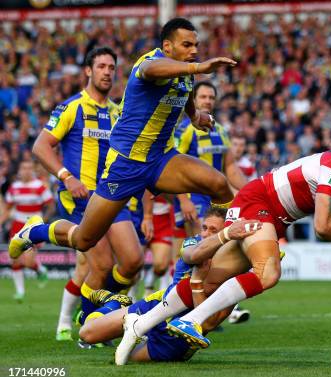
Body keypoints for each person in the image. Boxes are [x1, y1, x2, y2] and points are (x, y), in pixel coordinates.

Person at [114, 136, 331, 365]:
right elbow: (323, 227)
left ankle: (139, 324)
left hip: (275, 218)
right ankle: (192, 320)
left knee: (212, 280)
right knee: (268, 272)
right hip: (259, 201)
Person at [8, 18, 236, 265]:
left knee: (219, 184)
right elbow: (153, 70)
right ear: (167, 47)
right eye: (187, 45)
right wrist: (198, 68)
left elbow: (184, 90)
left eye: (196, 45)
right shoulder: (150, 63)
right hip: (126, 164)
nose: (194, 50)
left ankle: (234, 246)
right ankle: (33, 231)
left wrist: (194, 115)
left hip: (161, 160)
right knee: (84, 239)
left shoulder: (185, 70)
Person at [31, 47, 144, 331]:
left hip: (111, 198)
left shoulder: (118, 112)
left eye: (111, 67)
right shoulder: (72, 107)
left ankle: (95, 314)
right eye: (102, 66)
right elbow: (40, 146)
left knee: (132, 262)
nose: (107, 72)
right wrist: (67, 176)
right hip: (80, 200)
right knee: (102, 265)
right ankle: (88, 325)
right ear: (88, 71)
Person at [78, 210, 261, 364]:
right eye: (204, 227)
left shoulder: (233, 272)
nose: (205, 234)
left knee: (132, 360)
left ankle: (138, 331)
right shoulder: (193, 243)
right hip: (158, 304)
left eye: (213, 230)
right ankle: (115, 302)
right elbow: (191, 255)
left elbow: (208, 323)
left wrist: (197, 281)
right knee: (87, 334)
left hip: (175, 339)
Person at [173, 80, 249, 323]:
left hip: (217, 200)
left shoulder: (221, 130)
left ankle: (218, 305)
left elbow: (230, 167)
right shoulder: (185, 130)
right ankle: (188, 306)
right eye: (202, 96)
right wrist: (183, 200)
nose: (207, 101)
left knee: (223, 249)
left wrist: (249, 192)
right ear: (193, 101)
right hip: (193, 197)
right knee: (201, 250)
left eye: (210, 97)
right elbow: (173, 166)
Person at [1, 159, 54, 302]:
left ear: (33, 170)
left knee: (28, 262)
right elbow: (7, 208)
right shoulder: (14, 187)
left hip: (33, 226)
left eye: (29, 168)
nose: (26, 171)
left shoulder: (40, 187)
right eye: (24, 168)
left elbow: (51, 205)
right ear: (20, 170)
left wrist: (44, 219)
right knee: (15, 259)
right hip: (17, 225)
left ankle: (40, 270)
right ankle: (20, 292)